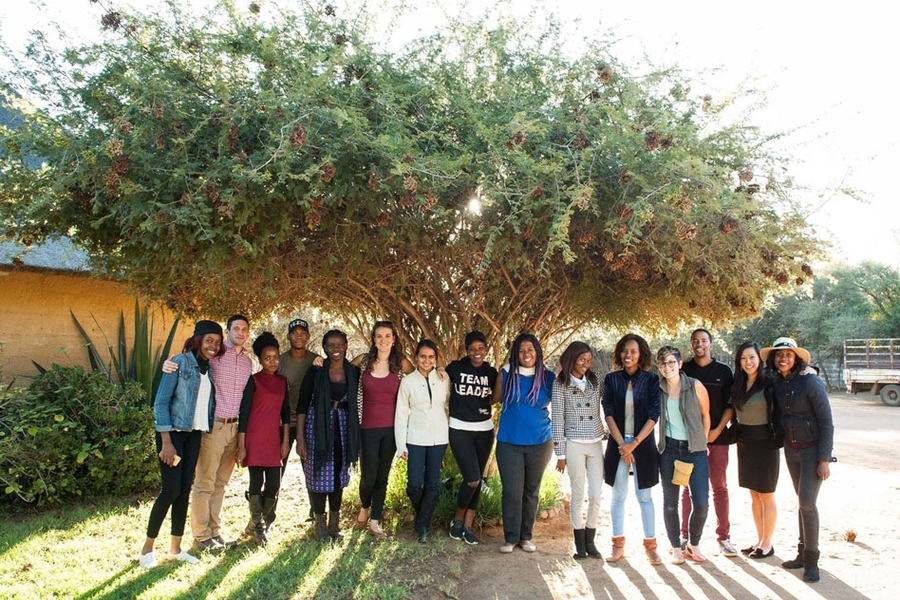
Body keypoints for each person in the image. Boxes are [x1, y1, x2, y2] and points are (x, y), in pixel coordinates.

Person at [139, 320, 223, 568]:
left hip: (194, 435)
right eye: (209, 340)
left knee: (184, 490)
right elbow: (161, 403)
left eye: (217, 342)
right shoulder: (178, 362)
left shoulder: (209, 369)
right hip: (172, 435)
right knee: (170, 490)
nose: (213, 346)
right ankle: (147, 549)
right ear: (197, 340)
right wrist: (166, 442)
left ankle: (176, 548)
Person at [762, 337, 834, 583]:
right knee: (802, 501)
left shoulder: (810, 381)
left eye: (788, 355)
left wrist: (824, 458)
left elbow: (826, 421)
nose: (783, 358)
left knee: (806, 502)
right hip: (791, 450)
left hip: (813, 452)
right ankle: (802, 554)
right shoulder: (777, 383)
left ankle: (812, 560)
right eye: (779, 355)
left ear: (797, 358)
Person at [602, 333, 662, 565]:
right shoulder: (611, 379)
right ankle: (617, 545)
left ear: (641, 355)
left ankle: (651, 546)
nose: (628, 355)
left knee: (644, 496)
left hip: (643, 445)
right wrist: (622, 446)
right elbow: (608, 412)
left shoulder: (650, 380)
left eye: (633, 351)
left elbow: (653, 414)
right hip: (618, 445)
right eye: (625, 351)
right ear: (619, 353)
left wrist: (633, 445)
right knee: (618, 496)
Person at [296, 330, 360, 540]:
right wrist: (301, 438)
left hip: (343, 427)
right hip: (317, 427)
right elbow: (302, 405)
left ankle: (334, 524)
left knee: (338, 475)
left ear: (346, 346)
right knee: (317, 475)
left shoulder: (353, 372)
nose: (335, 349)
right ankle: (320, 524)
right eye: (330, 345)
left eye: (339, 344)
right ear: (324, 348)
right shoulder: (316, 371)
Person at [353, 321, 414, 538]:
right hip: (366, 428)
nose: (383, 340)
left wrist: (441, 370)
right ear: (373, 339)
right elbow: (338, 370)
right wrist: (319, 361)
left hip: (391, 429)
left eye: (388, 336)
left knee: (382, 476)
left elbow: (421, 377)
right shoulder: (363, 361)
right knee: (368, 477)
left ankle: (375, 521)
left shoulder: (401, 364)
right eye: (379, 336)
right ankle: (364, 507)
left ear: (394, 339)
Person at [494, 333, 554, 554]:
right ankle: (510, 538)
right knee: (512, 491)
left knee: (531, 491)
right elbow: (493, 399)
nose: (526, 354)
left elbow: (561, 404)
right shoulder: (507, 374)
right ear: (515, 354)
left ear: (537, 352)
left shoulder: (548, 377)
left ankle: (526, 537)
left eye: (530, 349)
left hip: (540, 442)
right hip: (509, 442)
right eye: (521, 350)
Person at [680, 328, 737, 557]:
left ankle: (724, 537)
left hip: (717, 438)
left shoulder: (724, 371)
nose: (699, 344)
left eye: (704, 340)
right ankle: (686, 537)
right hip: (690, 440)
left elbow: (730, 406)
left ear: (711, 344)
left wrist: (716, 431)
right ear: (691, 345)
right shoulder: (684, 370)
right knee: (687, 489)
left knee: (719, 487)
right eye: (695, 341)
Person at [552, 341, 607, 560]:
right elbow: (557, 418)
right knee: (578, 494)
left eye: (589, 360)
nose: (585, 364)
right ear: (571, 358)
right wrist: (560, 454)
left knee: (595, 494)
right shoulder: (560, 384)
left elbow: (607, 405)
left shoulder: (596, 381)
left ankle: (591, 541)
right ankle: (579, 544)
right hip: (574, 442)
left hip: (595, 442)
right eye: (582, 359)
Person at [656, 346, 711, 564]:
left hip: (694, 449)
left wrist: (703, 442)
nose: (666, 367)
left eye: (671, 362)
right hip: (669, 449)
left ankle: (693, 544)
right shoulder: (657, 388)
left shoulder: (695, 386)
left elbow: (706, 415)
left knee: (701, 503)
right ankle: (675, 547)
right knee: (670, 502)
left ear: (679, 364)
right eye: (662, 363)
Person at [237, 332, 290, 545]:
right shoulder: (253, 381)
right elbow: (244, 414)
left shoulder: (282, 382)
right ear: (260, 360)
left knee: (274, 484)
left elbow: (285, 414)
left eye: (276, 356)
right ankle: (259, 527)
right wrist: (241, 446)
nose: (272, 361)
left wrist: (286, 440)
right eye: (267, 357)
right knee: (256, 482)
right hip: (255, 437)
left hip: (274, 439)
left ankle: (261, 521)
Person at [446, 331, 498, 546]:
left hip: (484, 430)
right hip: (459, 428)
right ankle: (457, 519)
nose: (477, 352)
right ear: (466, 350)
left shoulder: (491, 372)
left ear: (486, 349)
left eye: (481, 347)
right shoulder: (455, 368)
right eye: (472, 348)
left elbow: (495, 397)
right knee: (473, 479)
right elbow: (440, 382)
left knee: (477, 478)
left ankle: (468, 525)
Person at [395, 339, 450, 543]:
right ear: (416, 358)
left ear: (436, 359)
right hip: (415, 439)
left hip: (439, 438)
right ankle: (422, 516)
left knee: (432, 485)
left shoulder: (443, 378)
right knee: (414, 485)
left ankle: (423, 525)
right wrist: (401, 445)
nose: (427, 360)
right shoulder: (408, 381)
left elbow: (451, 403)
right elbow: (401, 415)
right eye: (423, 356)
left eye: (431, 357)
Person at [731, 341, 782, 560]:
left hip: (766, 443)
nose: (748, 362)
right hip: (745, 443)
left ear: (759, 359)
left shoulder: (771, 381)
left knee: (767, 494)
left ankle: (767, 544)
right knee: (754, 494)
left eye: (751, 357)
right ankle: (759, 539)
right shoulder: (739, 384)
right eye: (743, 358)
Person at [277, 318, 320, 526]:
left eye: (303, 333)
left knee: (310, 468)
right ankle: (268, 514)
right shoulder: (279, 360)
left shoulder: (317, 360)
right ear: (288, 336)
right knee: (277, 468)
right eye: (295, 333)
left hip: (308, 423)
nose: (299, 336)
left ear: (308, 336)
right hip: (282, 422)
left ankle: (316, 511)